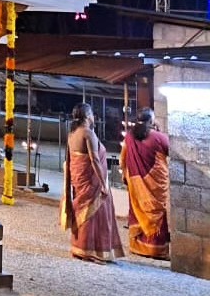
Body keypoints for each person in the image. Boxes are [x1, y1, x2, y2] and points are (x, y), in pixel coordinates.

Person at [60, 102, 125, 263]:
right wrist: (103, 183)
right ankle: (94, 250)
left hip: (79, 180)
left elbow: (70, 160)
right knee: (97, 213)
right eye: (92, 115)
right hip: (91, 181)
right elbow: (94, 159)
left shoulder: (72, 134)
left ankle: (80, 247)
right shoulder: (88, 133)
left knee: (85, 212)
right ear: (88, 116)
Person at [120, 107, 171, 259]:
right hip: (154, 185)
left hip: (135, 183)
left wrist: (126, 177)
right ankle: (156, 250)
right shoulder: (158, 137)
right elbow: (170, 150)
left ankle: (137, 247)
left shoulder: (129, 136)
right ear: (151, 121)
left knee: (137, 212)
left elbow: (123, 158)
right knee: (156, 214)